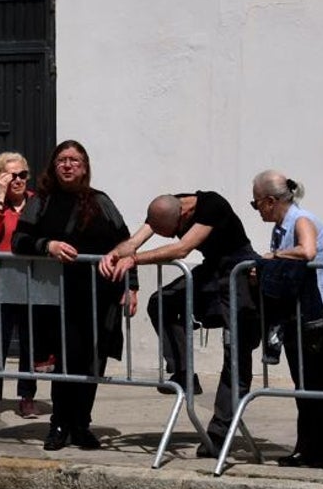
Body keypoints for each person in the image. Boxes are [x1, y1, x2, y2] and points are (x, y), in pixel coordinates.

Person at [99, 190, 260, 458]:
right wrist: (113, 255)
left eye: (169, 231)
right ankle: (184, 373)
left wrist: (135, 259)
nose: (165, 236)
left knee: (236, 355)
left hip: (237, 272)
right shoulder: (167, 206)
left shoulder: (212, 205)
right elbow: (133, 242)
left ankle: (219, 433)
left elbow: (182, 248)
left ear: (182, 216)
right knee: (161, 303)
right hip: (211, 272)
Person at [13, 141, 137, 451]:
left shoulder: (100, 202)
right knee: (64, 362)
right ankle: (59, 424)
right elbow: (19, 240)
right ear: (54, 166)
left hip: (99, 297)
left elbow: (125, 245)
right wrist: (48, 246)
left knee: (91, 362)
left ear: (85, 167)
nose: (68, 165)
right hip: (57, 298)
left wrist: (131, 285)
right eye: (62, 160)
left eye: (75, 160)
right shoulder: (41, 201)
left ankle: (81, 424)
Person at [250, 170, 323, 468]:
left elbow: (306, 251)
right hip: (303, 311)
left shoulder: (300, 219)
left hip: (320, 313)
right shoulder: (283, 224)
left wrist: (272, 257)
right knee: (310, 383)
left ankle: (312, 449)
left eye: (256, 204)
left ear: (270, 201)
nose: (257, 210)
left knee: (313, 383)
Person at [0, 152, 38, 419]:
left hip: (32, 282)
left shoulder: (37, 203)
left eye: (23, 174)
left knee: (30, 343)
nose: (19, 180)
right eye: (12, 175)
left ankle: (27, 397)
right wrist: (0, 199)